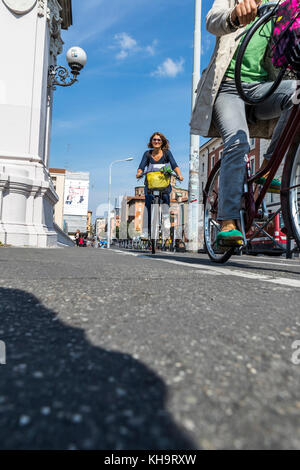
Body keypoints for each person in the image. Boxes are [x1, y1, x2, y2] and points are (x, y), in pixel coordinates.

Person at [190, 0, 297, 246]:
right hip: (228, 88)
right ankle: (227, 221)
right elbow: (212, 20)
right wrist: (234, 16)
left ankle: (267, 169)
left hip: (261, 88)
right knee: (238, 143)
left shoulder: (282, 3)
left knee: (297, 92)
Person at [136, 132, 184, 238]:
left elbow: (174, 165)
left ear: (162, 142)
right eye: (154, 139)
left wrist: (179, 175)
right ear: (151, 142)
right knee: (148, 205)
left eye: (159, 140)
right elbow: (141, 166)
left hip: (164, 184)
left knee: (166, 197)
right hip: (150, 184)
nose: (156, 141)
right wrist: (139, 173)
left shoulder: (167, 153)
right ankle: (145, 231)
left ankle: (166, 219)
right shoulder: (147, 154)